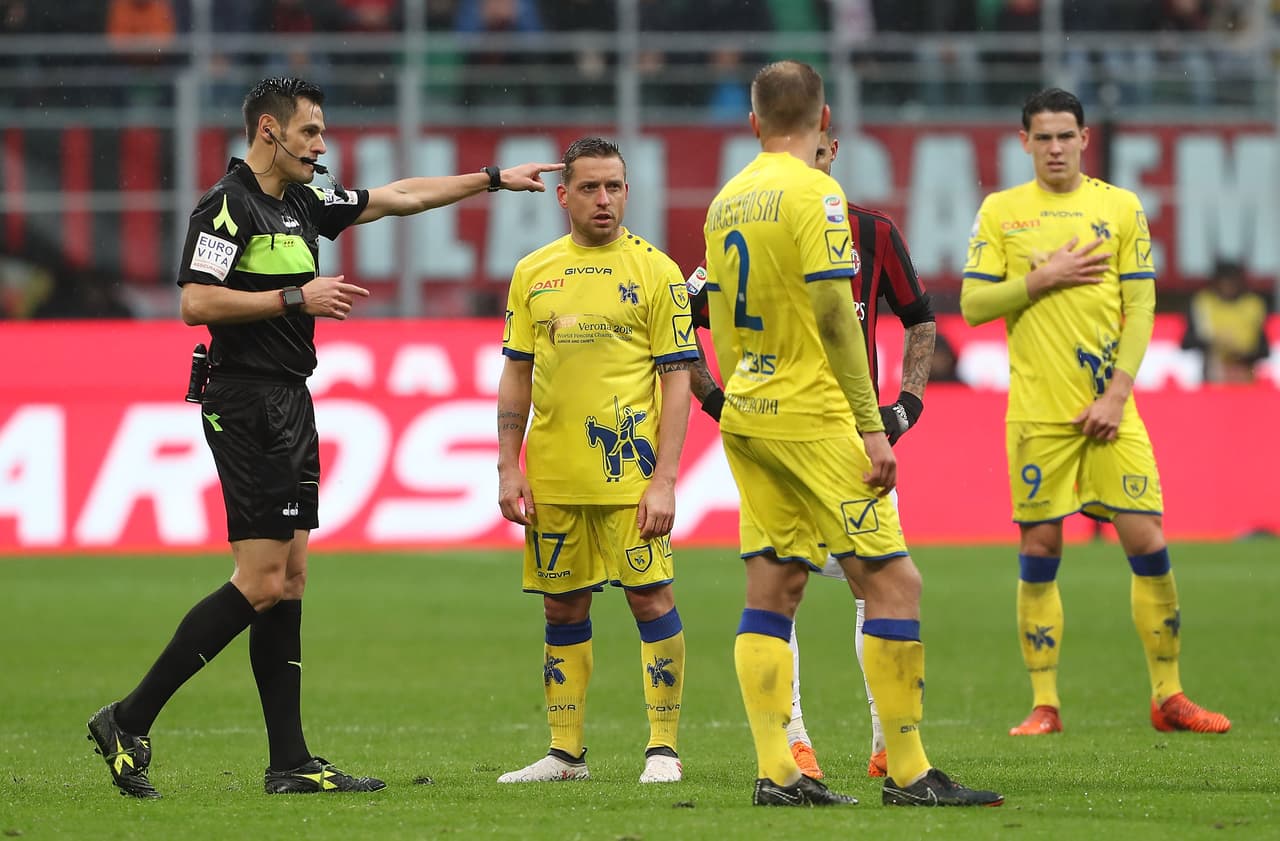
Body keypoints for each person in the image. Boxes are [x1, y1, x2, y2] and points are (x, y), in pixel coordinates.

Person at [86, 76, 564, 799]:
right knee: (262, 578)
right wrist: (294, 296)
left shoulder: (305, 200)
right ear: (270, 131)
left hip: (290, 401)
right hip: (245, 401)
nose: (322, 144)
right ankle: (128, 717)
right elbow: (193, 301)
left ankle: (290, 762)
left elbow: (397, 196)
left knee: (292, 579)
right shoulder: (228, 205)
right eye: (311, 131)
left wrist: (492, 180)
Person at [702, 59, 1002, 808]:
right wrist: (872, 426)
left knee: (773, 583)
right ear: (825, 120)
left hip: (750, 413)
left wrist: (740, 396)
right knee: (894, 583)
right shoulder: (818, 194)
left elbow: (720, 322)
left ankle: (779, 772)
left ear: (753, 124)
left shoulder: (724, 203)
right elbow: (838, 313)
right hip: (815, 415)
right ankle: (906, 771)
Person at [960, 86, 1231, 738]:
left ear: (1085, 138)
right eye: (1043, 137)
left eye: (1066, 135)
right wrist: (1040, 279)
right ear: (1023, 142)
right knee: (1041, 545)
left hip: (1111, 409)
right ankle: (1045, 703)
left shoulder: (1119, 207)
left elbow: (1142, 308)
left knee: (1148, 540)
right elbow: (971, 305)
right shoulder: (1002, 212)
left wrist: (1117, 394)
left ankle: (1168, 694)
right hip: (1038, 414)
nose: (1055, 147)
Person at [686, 127, 937, 782]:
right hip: (825, 428)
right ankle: (804, 745)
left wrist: (906, 402)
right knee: (885, 579)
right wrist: (710, 398)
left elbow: (920, 316)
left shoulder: (870, 232)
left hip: (793, 429)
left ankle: (876, 746)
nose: (815, 162)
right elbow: (682, 317)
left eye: (823, 152)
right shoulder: (775, 219)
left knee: (808, 583)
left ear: (834, 148)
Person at [496, 136, 697, 785]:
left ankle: (662, 748)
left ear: (628, 192)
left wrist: (665, 479)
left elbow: (677, 382)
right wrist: (507, 464)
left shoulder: (657, 272)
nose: (603, 198)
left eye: (614, 186)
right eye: (590, 187)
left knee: (650, 596)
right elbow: (517, 375)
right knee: (561, 608)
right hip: (554, 477)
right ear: (563, 195)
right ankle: (565, 753)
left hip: (629, 479)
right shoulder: (534, 272)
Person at [1180, 260, 1269, 384]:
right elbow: (1186, 342)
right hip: (1214, 366)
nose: (1227, 287)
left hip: (1245, 365)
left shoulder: (1252, 304)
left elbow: (1264, 349)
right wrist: (1216, 342)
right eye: (1223, 282)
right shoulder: (1203, 302)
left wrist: (1239, 350)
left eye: (1232, 282)